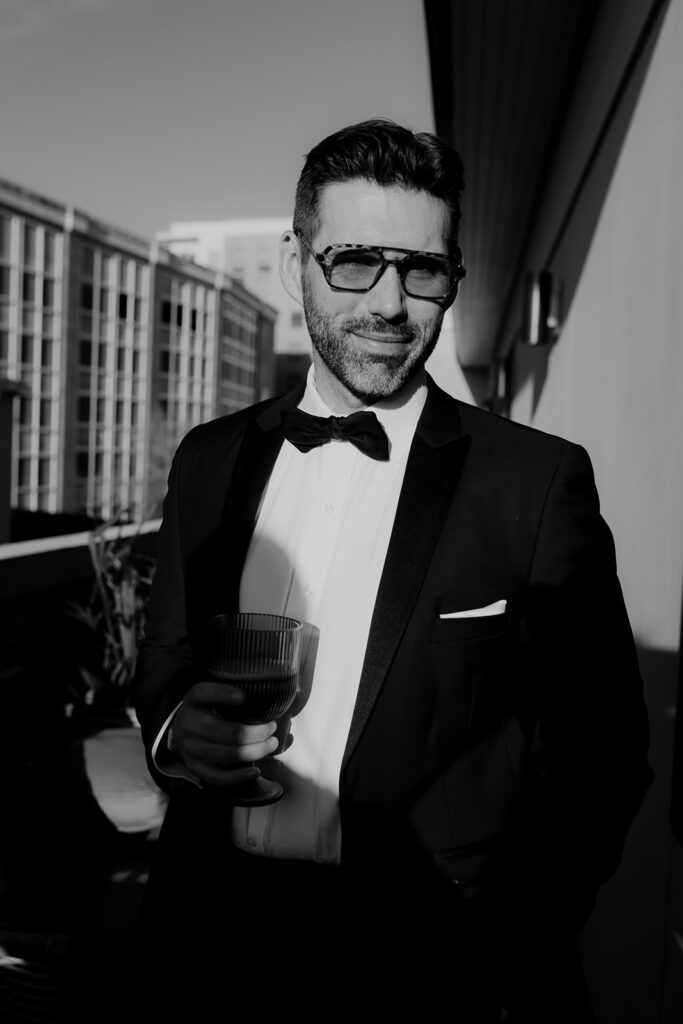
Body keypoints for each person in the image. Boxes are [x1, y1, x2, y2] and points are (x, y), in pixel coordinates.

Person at [128, 119, 652, 1022]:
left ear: (452, 278)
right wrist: (179, 733)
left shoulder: (535, 483)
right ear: (297, 261)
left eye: (422, 268)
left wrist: (506, 954)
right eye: (354, 261)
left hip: (428, 971)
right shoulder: (208, 458)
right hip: (207, 949)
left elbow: (601, 760)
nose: (388, 302)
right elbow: (167, 653)